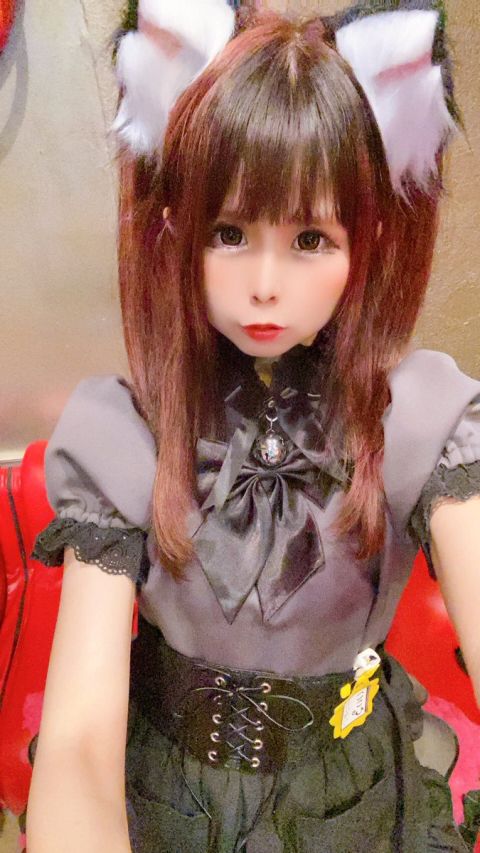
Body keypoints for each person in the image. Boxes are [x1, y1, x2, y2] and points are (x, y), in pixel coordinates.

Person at [26, 1, 480, 851]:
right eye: (229, 232)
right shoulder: (125, 430)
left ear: (369, 239)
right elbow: (79, 736)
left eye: (311, 238)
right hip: (166, 801)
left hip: (347, 800)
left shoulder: (419, 415)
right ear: (174, 227)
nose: (265, 284)